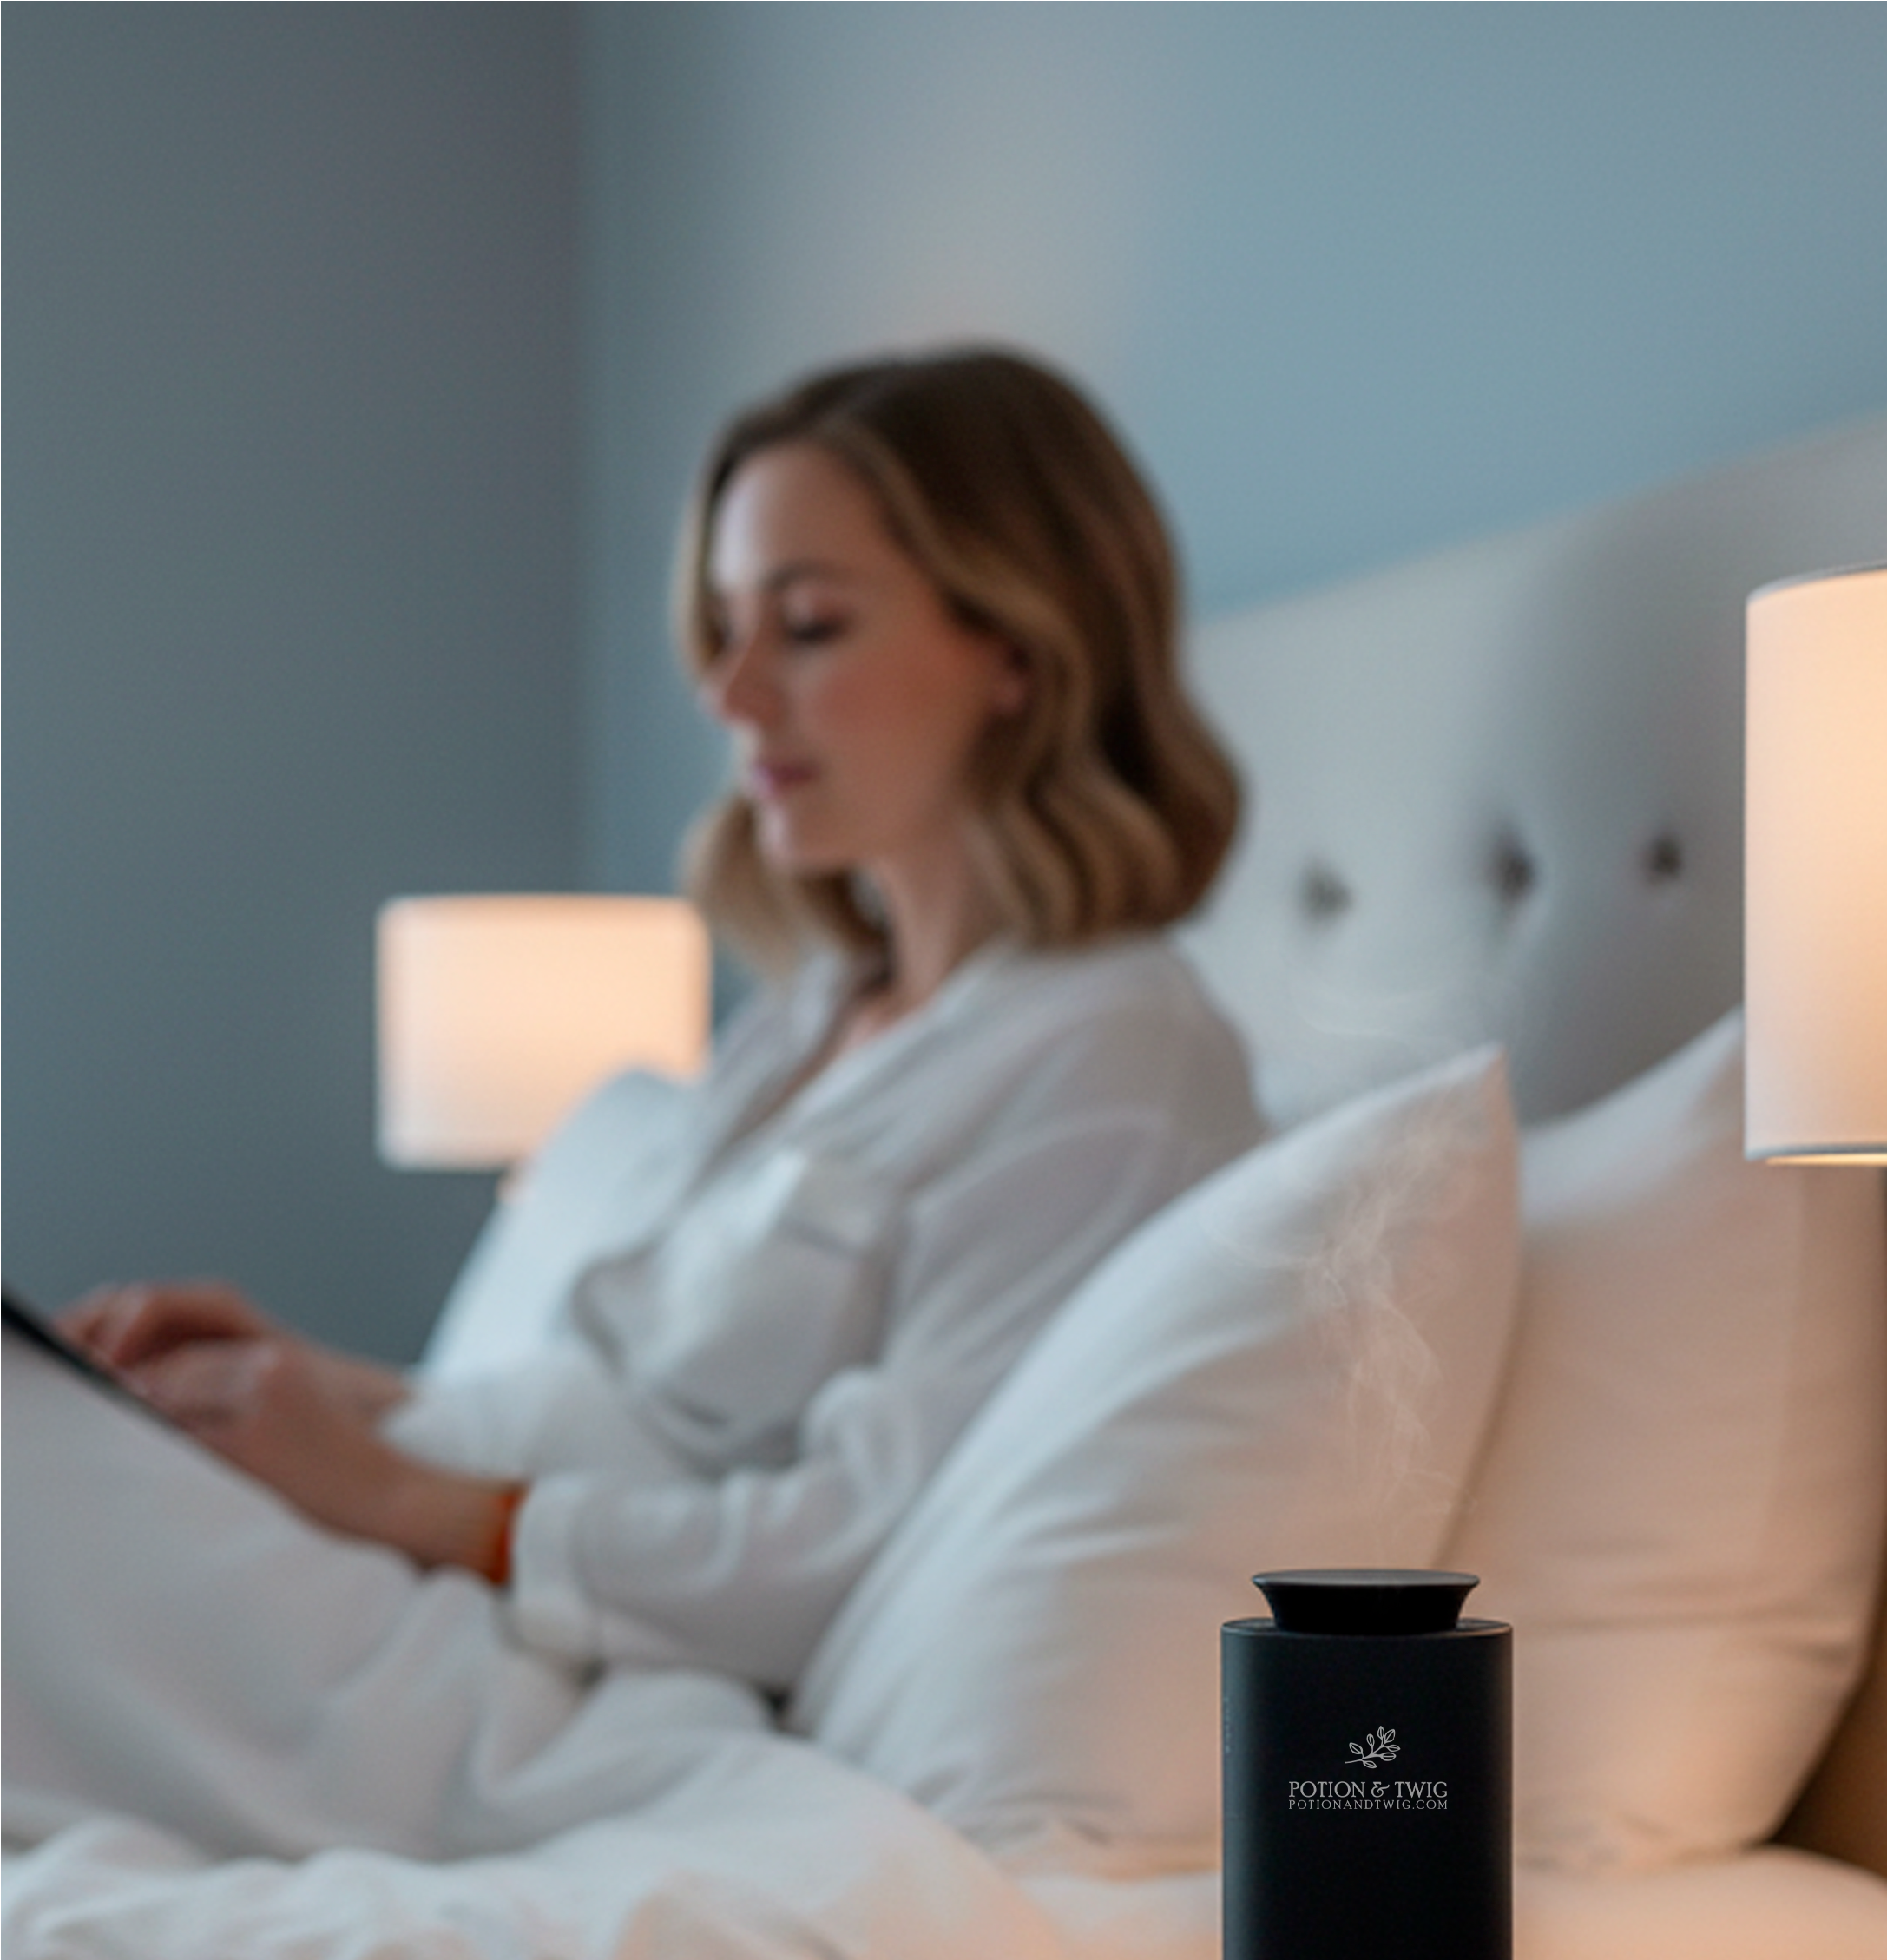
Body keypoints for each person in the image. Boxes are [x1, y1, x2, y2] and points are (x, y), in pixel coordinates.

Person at [1, 347, 1259, 1860]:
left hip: (568, 1679)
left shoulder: (1113, 1069)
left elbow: (854, 1542)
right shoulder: (813, 1019)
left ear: (1024, 648)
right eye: (725, 631)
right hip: (457, 1580)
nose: (730, 694)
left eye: (806, 625)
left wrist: (404, 1498)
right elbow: (627, 1392)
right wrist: (321, 1387)